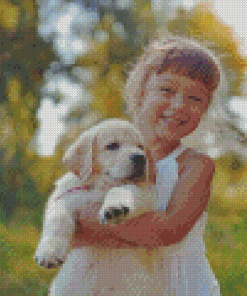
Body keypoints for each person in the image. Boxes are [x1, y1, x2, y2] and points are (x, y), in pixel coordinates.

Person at [71, 35, 224, 295]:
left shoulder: (194, 165)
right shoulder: (106, 153)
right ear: (142, 91)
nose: (179, 106)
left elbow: (165, 233)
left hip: (181, 287)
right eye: (167, 90)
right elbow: (72, 235)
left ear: (205, 109)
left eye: (195, 99)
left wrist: (85, 216)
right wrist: (74, 220)